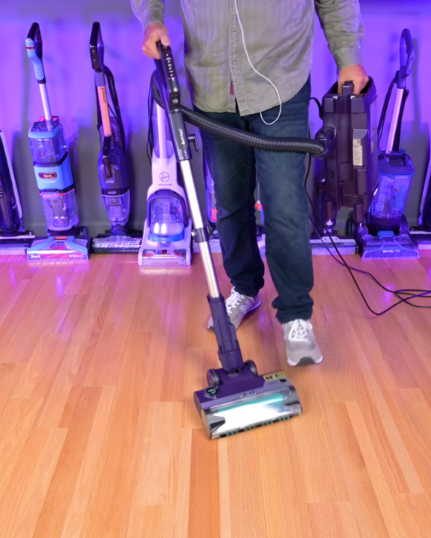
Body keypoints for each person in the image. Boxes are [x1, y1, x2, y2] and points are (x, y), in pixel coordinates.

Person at [132, 0, 368, 367]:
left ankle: (295, 315)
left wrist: (348, 56)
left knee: (285, 207)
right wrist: (152, 20)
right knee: (229, 202)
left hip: (280, 83)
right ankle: (244, 288)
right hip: (211, 89)